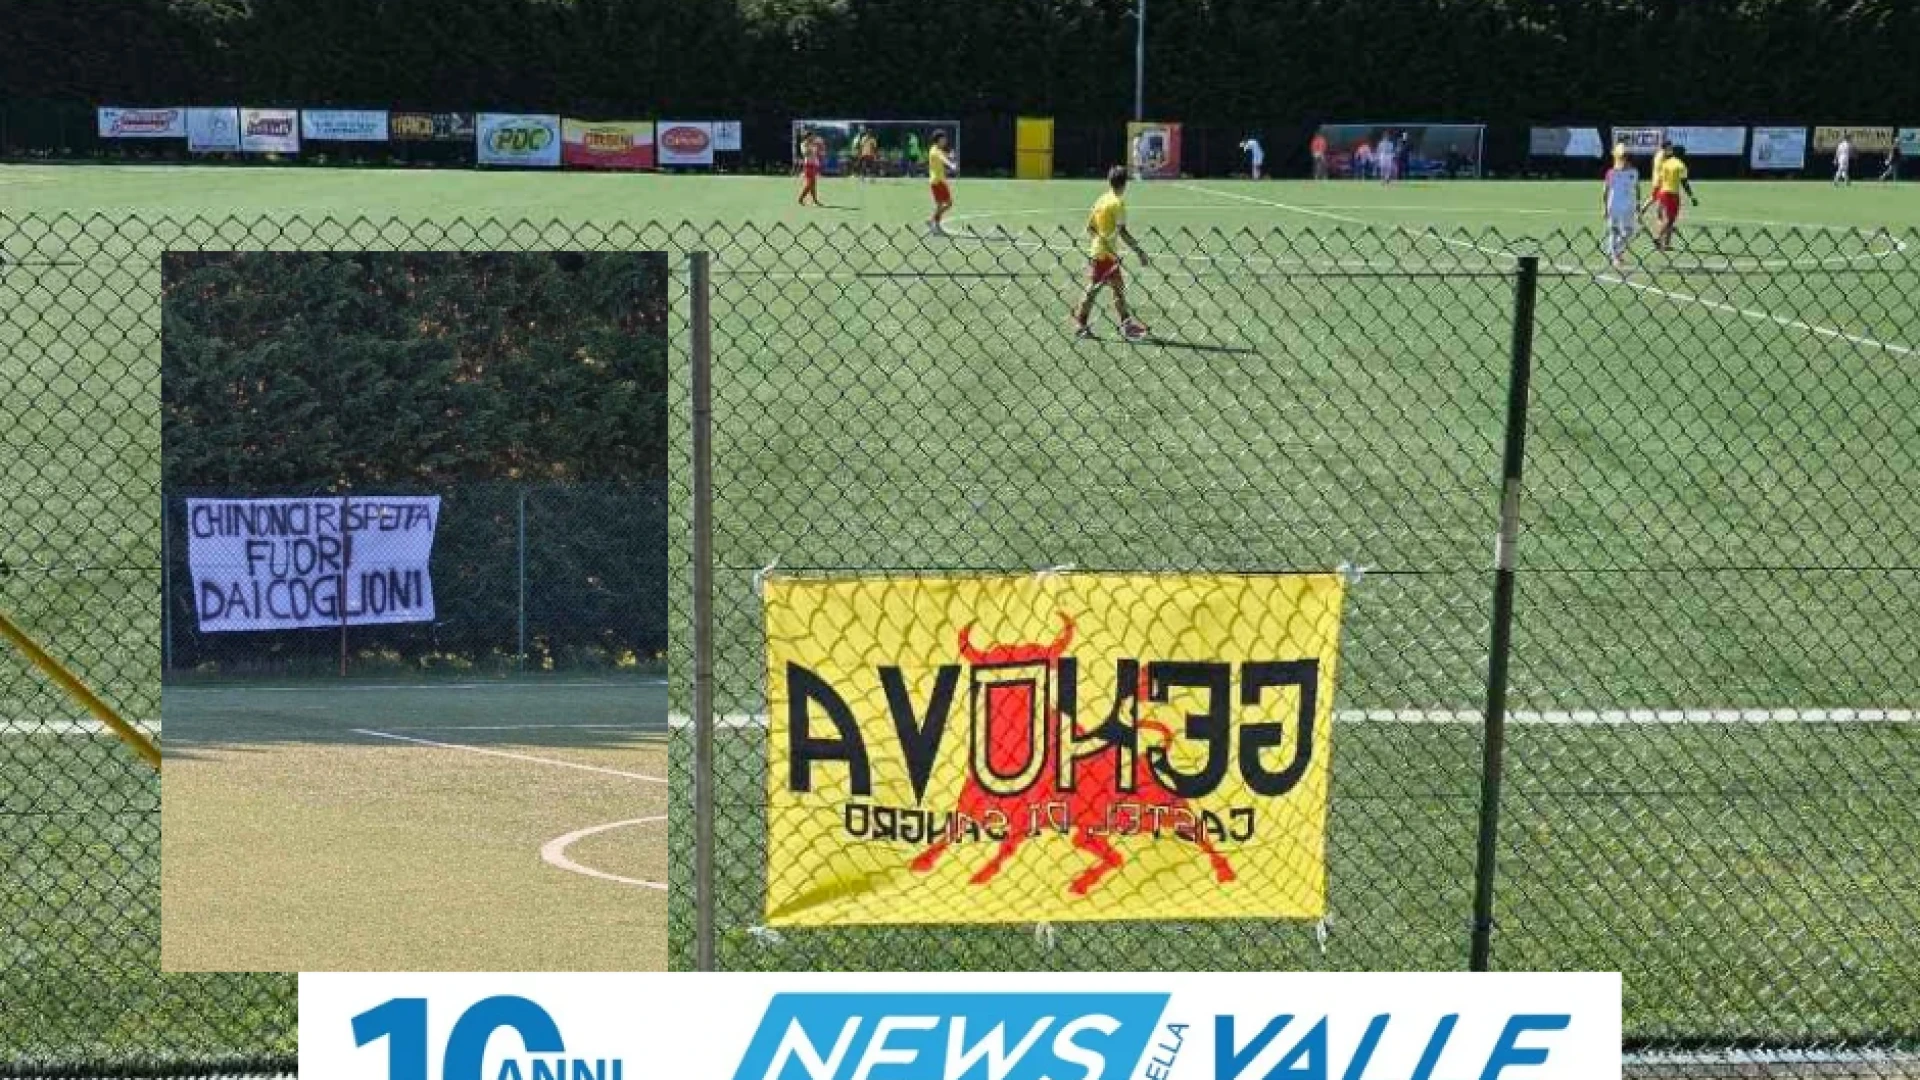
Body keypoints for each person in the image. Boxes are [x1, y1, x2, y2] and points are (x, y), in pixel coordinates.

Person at [1072, 166, 1151, 341]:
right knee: (1094, 289)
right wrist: (1139, 252)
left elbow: (1090, 227)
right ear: (1125, 184)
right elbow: (1122, 231)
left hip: (1102, 251)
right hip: (1106, 255)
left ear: (1109, 182)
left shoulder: (1102, 199)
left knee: (1117, 289)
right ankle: (1080, 324)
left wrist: (1099, 241)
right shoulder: (1117, 203)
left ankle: (1126, 324)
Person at [1642, 143, 1697, 252]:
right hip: (1672, 194)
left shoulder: (1665, 163)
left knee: (1668, 219)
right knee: (1670, 219)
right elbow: (1684, 183)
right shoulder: (1681, 165)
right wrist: (1692, 197)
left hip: (1663, 192)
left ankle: (1667, 244)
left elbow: (1661, 177)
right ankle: (1657, 238)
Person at [1602, 144, 1642, 269]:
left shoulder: (1634, 172)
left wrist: (1638, 204)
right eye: (1623, 157)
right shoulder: (1611, 172)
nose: (1626, 159)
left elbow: (1637, 188)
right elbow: (1605, 191)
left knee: (1630, 232)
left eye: (1627, 157)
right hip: (1613, 206)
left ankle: (1614, 250)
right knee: (1614, 231)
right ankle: (1615, 256)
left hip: (1629, 206)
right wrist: (1604, 208)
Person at [926, 130, 958, 234]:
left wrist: (950, 156)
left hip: (936, 181)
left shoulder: (936, 149)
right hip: (938, 181)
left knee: (940, 205)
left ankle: (936, 225)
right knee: (948, 203)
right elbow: (943, 158)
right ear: (938, 140)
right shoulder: (935, 151)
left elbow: (945, 156)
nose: (945, 140)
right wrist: (951, 164)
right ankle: (932, 221)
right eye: (943, 139)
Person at [797, 134, 823, 206]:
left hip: (814, 165)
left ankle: (815, 201)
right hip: (808, 165)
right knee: (809, 184)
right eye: (810, 136)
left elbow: (817, 153)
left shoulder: (813, 143)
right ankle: (800, 199)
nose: (812, 137)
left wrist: (818, 146)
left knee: (813, 184)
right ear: (807, 137)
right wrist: (811, 148)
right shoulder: (804, 144)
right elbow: (805, 153)